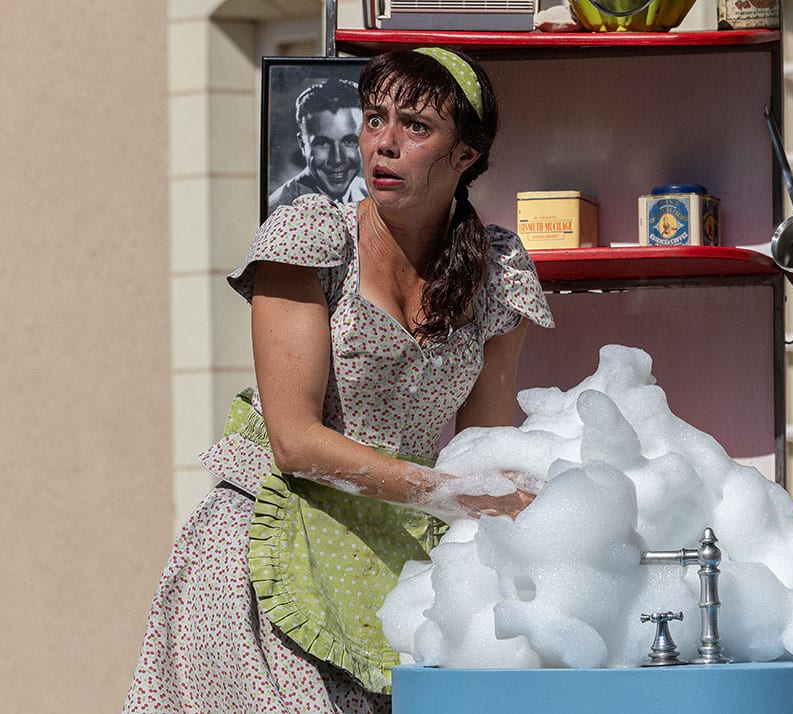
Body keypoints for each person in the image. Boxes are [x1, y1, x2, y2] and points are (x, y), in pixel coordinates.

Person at [125, 47, 554, 713]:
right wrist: (454, 493)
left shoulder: (498, 272)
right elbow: (296, 440)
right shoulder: (313, 235)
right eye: (374, 119)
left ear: (465, 155)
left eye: (415, 126)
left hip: (389, 567)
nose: (383, 143)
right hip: (265, 559)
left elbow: (488, 453)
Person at [267, 78, 369, 217]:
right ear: (302, 145)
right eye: (323, 143)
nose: (338, 159)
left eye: (349, 141)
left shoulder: (369, 195)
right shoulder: (277, 213)